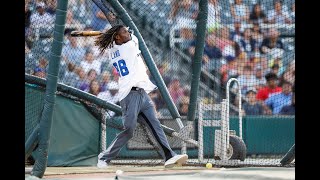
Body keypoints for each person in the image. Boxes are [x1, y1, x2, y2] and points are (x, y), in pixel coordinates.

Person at [94, 25, 188, 168]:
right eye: (124, 32)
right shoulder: (130, 46)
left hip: (142, 94)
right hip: (129, 95)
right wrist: (126, 33)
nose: (128, 33)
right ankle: (104, 157)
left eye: (127, 31)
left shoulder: (112, 49)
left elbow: (116, 40)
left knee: (155, 124)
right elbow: (134, 38)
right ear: (118, 37)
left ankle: (169, 155)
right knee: (129, 130)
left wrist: (114, 34)